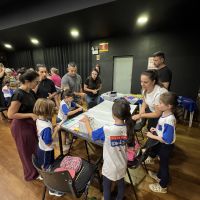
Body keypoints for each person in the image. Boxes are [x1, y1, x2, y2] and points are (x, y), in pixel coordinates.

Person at [81, 99, 135, 200]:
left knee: (106, 185)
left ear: (113, 114)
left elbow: (92, 135)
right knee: (121, 182)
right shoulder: (128, 127)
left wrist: (87, 122)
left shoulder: (108, 129)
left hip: (110, 166)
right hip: (122, 163)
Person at [7, 70, 40, 181]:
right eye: (36, 81)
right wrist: (30, 114)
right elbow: (10, 114)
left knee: (34, 148)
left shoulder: (30, 91)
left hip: (29, 124)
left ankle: (37, 170)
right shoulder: (18, 94)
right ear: (27, 81)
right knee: (26, 151)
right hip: (20, 126)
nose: (37, 84)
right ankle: (31, 174)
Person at [145, 92, 177, 193]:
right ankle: (159, 176)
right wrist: (156, 129)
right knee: (161, 162)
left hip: (166, 146)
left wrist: (152, 135)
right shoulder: (165, 114)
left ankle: (163, 186)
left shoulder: (169, 120)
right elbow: (162, 128)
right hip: (162, 144)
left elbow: (166, 139)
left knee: (164, 165)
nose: (158, 105)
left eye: (161, 103)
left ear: (169, 106)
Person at [33, 98, 56, 170]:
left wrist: (53, 126)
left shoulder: (39, 119)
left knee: (45, 162)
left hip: (41, 147)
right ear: (48, 111)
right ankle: (46, 176)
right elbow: (48, 143)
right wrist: (56, 130)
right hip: (46, 150)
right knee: (47, 166)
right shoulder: (46, 128)